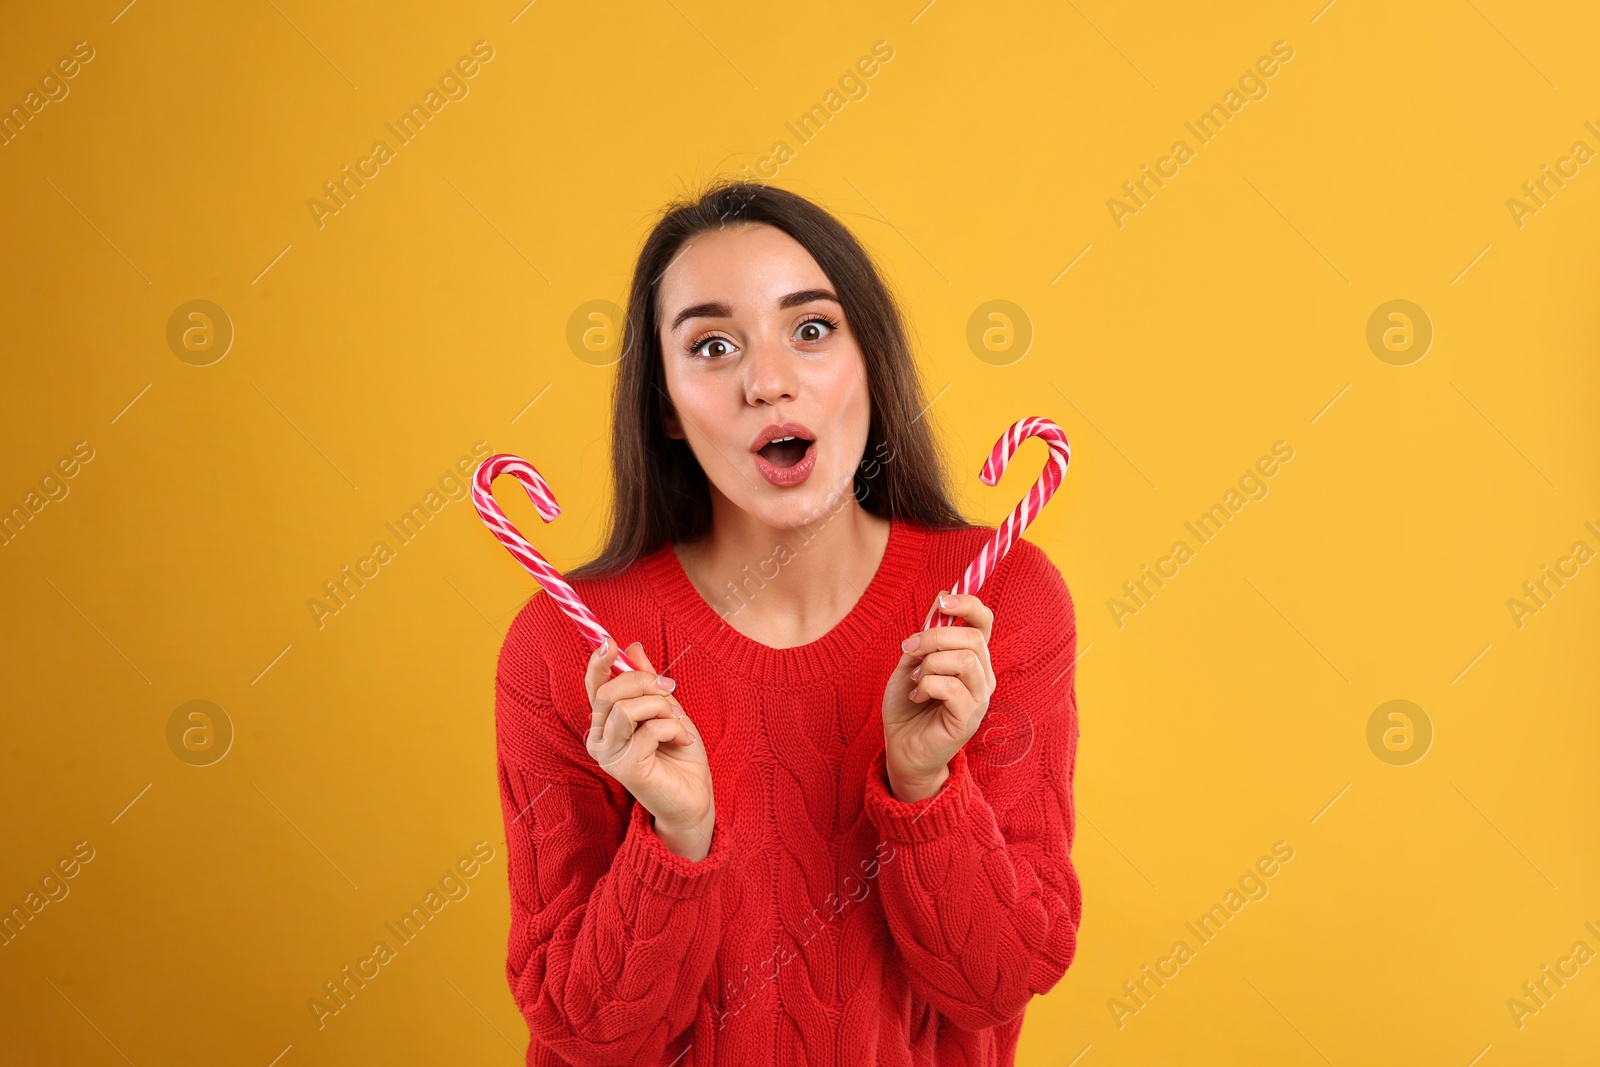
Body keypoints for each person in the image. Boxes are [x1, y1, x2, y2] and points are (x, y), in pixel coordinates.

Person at [492, 180, 1082, 1066]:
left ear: (869, 362)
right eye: (714, 345)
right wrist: (672, 837)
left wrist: (925, 787)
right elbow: (584, 1035)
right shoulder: (564, 651)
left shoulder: (997, 606)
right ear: (664, 406)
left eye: (811, 329)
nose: (768, 382)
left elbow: (997, 981)